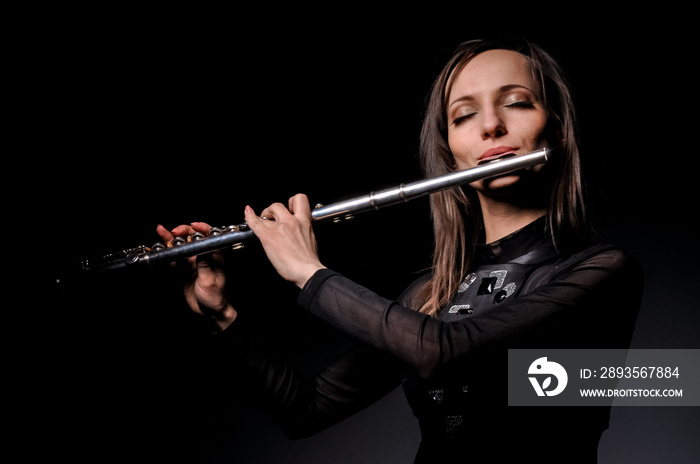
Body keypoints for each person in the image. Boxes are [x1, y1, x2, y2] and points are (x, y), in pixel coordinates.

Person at [157, 38, 643, 463]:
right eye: (465, 114)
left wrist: (308, 270)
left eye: (516, 103)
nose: (490, 125)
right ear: (451, 148)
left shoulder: (602, 273)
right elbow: (306, 410)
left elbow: (444, 352)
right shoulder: (429, 296)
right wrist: (222, 315)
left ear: (556, 129)